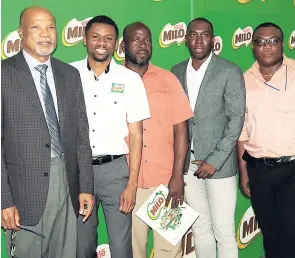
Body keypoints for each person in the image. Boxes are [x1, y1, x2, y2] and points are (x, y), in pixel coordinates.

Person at [1, 6, 94, 258]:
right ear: (21, 32)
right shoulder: (3, 74)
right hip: (24, 190)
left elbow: (82, 136)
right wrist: (3, 200)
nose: (45, 34)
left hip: (68, 184)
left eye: (51, 27)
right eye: (36, 27)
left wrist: (85, 186)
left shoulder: (70, 74)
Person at [70, 16, 151, 258]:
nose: (101, 43)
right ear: (85, 40)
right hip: (78, 171)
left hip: (115, 171)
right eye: (95, 36)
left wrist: (132, 183)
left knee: (121, 246)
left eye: (108, 38)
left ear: (117, 44)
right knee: (82, 245)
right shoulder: (68, 74)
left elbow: (137, 134)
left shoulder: (130, 79)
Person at [171, 17, 246, 258]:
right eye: (193, 34)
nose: (199, 39)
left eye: (205, 34)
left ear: (213, 40)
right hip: (188, 166)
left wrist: (214, 160)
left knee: (223, 231)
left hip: (220, 167)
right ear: (186, 39)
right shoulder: (176, 71)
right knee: (200, 228)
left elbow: (236, 120)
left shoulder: (229, 71)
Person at [121, 22, 193, 258]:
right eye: (136, 39)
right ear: (123, 45)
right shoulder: (113, 81)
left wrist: (177, 177)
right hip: (127, 184)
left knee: (169, 250)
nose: (143, 45)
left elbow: (181, 131)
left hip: (164, 181)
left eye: (147, 40)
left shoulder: (168, 79)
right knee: (134, 249)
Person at [237, 22, 295, 258]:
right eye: (261, 41)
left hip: (292, 169)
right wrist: (243, 172)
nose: (267, 47)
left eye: (273, 41)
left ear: (282, 44)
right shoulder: (243, 79)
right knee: (270, 234)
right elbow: (241, 131)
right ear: (253, 47)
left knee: (291, 234)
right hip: (258, 169)